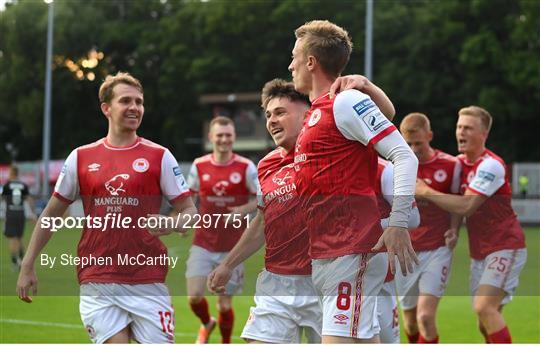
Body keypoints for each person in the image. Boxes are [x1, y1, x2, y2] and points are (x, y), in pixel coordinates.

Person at [16, 72, 197, 344]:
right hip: (97, 278)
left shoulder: (159, 156)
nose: (134, 107)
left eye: (139, 101)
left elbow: (190, 212)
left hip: (147, 279)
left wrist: (170, 223)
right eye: (125, 101)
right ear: (106, 108)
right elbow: (50, 216)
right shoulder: (81, 157)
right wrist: (27, 265)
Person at [288, 20, 419, 343]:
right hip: (330, 252)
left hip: (353, 249)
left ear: (310, 62)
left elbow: (404, 156)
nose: (290, 65)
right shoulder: (320, 110)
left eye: (294, 57)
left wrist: (398, 222)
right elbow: (385, 114)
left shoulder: (343, 102)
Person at [415, 106, 527, 344]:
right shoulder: (458, 164)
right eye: (459, 127)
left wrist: (425, 190)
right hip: (479, 252)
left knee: (484, 307)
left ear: (483, 134)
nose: (460, 132)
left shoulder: (491, 166)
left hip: (504, 245)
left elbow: (467, 206)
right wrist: (453, 229)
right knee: (485, 321)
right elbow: (454, 203)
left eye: (467, 128)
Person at [186, 116, 258, 344]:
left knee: (224, 303)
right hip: (203, 243)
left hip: (234, 248)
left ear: (234, 137)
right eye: (219, 135)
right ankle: (207, 323)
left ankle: (225, 342)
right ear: (211, 137)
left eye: (228, 135)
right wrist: (180, 220)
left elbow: (263, 199)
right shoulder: (199, 165)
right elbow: (188, 198)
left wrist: (243, 209)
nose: (224, 139)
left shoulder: (246, 167)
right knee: (194, 296)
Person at [397, 113, 462, 343]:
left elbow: (457, 202)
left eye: (418, 143)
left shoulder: (451, 165)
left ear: (430, 136)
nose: (413, 149)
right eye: (408, 144)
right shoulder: (397, 166)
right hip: (406, 250)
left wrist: (454, 229)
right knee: (411, 321)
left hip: (438, 248)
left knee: (425, 316)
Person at [375, 157, 421, 344]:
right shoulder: (327, 169)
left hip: (379, 281)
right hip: (337, 280)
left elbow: (413, 219)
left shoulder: (385, 170)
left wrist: (362, 227)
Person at [2, 165, 36, 271]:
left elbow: (2, 198)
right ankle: (22, 261)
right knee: (20, 237)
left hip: (11, 214)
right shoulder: (23, 185)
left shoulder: (7, 185)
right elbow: (29, 200)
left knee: (12, 238)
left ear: (12, 173)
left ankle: (14, 262)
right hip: (21, 214)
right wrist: (33, 213)